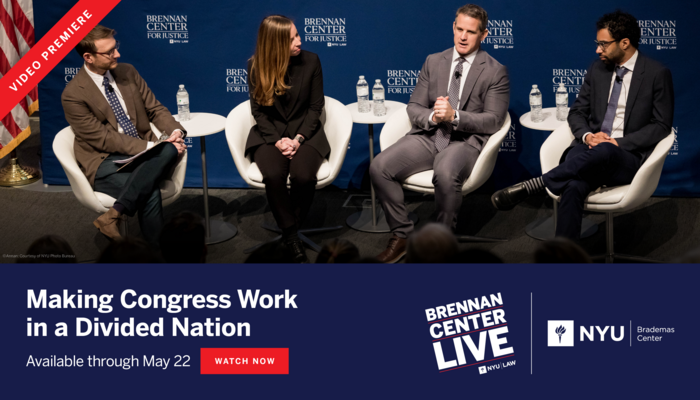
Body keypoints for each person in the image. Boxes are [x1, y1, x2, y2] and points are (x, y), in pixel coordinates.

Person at [491, 11, 674, 240]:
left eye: (603, 44)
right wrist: (588, 136)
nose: (598, 50)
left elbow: (661, 125)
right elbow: (577, 111)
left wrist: (617, 142)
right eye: (597, 44)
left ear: (625, 43)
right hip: (588, 152)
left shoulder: (656, 74)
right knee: (574, 185)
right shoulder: (597, 69)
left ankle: (537, 184)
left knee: (606, 149)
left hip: (626, 157)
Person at [370, 4, 510, 263]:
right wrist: (433, 116)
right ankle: (402, 235)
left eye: (470, 31)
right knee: (380, 167)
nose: (463, 36)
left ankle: (440, 245)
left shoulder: (494, 70)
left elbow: (494, 120)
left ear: (484, 35)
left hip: (464, 141)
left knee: (445, 174)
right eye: (459, 29)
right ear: (453, 28)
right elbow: (414, 107)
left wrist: (454, 116)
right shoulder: (434, 61)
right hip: (429, 136)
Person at [62, 25, 187, 247]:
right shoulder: (73, 95)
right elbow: (103, 139)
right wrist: (151, 147)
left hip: (143, 156)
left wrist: (175, 131)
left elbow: (155, 109)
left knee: (167, 147)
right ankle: (158, 257)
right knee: (150, 191)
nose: (117, 54)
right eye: (109, 52)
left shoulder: (127, 72)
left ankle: (113, 216)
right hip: (104, 161)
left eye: (115, 47)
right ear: (88, 57)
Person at [246, 15, 329, 263]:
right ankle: (292, 236)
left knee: (304, 176)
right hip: (269, 134)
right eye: (292, 38)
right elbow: (258, 112)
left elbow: (316, 107)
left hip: (306, 133)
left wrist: (298, 138)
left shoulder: (312, 61)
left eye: (298, 34)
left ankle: (288, 228)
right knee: (273, 175)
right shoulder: (255, 66)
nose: (299, 40)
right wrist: (278, 140)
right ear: (275, 43)